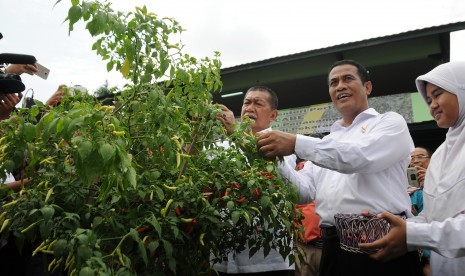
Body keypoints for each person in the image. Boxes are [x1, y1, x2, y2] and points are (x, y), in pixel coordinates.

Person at [256, 60, 422, 275]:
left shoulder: (389, 122)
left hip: (382, 242)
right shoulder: (328, 142)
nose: (340, 86)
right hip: (333, 246)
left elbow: (359, 156)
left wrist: (296, 142)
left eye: (348, 79)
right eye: (333, 83)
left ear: (368, 87)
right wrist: (274, 157)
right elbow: (303, 192)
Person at [358, 61, 465, 276]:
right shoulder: (442, 153)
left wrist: (411, 234)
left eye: (437, 94)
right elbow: (433, 217)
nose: (432, 105)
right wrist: (385, 225)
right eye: (428, 99)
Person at [214, 86, 294, 275]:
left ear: (273, 115)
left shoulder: (282, 145)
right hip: (224, 257)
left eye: (258, 103)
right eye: (246, 103)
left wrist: (236, 133)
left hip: (268, 261)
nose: (250, 108)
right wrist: (197, 129)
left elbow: (280, 183)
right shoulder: (222, 145)